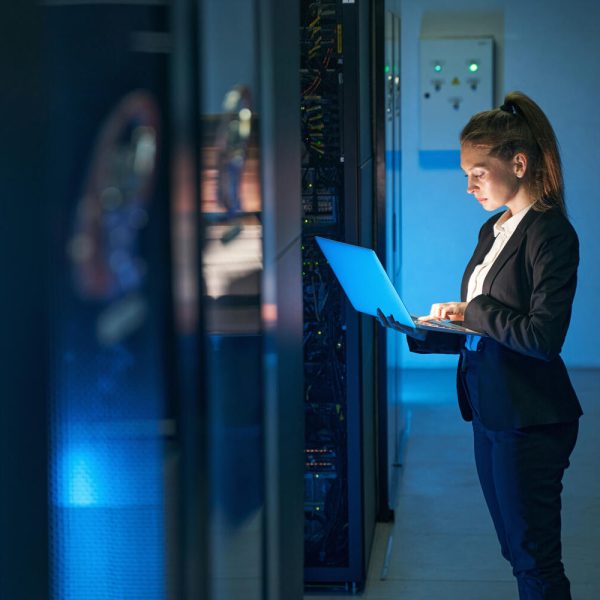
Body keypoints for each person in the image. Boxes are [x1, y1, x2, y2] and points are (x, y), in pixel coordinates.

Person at [377, 91, 582, 599]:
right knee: (518, 553)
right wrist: (424, 331)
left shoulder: (551, 233)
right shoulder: (494, 228)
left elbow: (541, 337)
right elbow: (487, 331)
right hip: (491, 408)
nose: (469, 186)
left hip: (529, 418)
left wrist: (473, 312)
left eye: (477, 172)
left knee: (535, 561)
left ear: (518, 162)